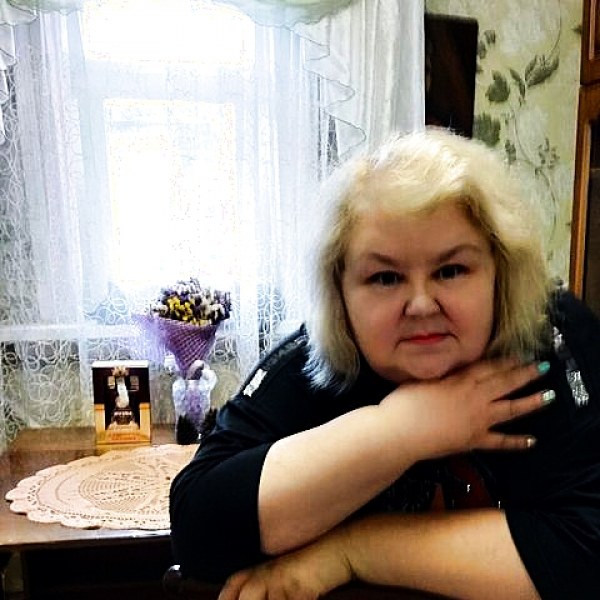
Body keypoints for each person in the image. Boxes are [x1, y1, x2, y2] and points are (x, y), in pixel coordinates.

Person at [169, 128, 600, 600]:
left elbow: (587, 552)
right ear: (340, 291)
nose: (421, 305)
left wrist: (353, 550)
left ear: (501, 273)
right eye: (385, 278)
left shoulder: (552, 337)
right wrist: (400, 430)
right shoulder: (316, 356)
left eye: (451, 270)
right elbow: (199, 529)